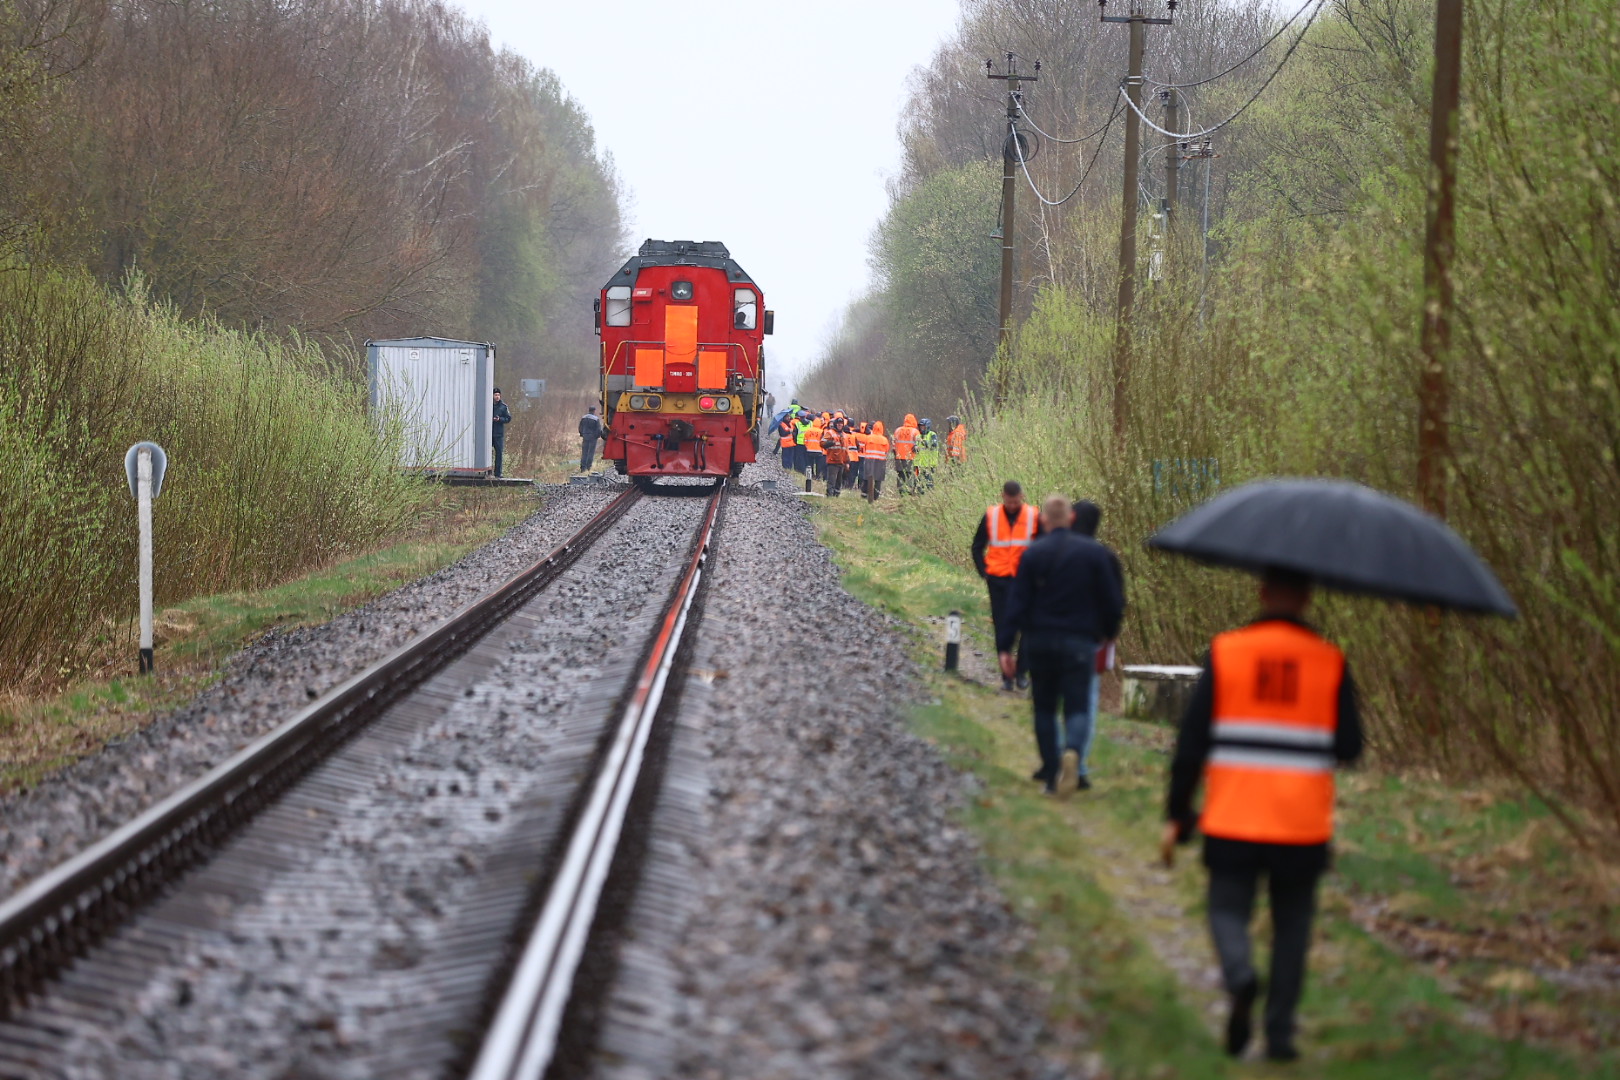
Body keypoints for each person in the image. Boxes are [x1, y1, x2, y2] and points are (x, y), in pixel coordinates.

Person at [1161, 568, 1363, 1063]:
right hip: (1302, 824)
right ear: (1308, 598)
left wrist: (1178, 811)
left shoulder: (1227, 652)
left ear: (1262, 593)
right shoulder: (1330, 661)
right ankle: (1279, 1036)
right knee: (1293, 927)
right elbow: (1351, 747)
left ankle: (1239, 976)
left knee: (1227, 909)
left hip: (1233, 816)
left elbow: (1191, 743)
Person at [999, 495, 1125, 796]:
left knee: (1044, 708)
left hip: (1040, 641)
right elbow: (1113, 602)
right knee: (1078, 706)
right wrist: (1107, 633)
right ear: (1070, 518)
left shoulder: (1033, 554)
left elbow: (1016, 604)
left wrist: (1006, 646)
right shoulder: (1094, 554)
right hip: (1080, 642)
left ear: (1043, 520)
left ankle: (1052, 774)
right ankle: (1072, 751)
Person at [1064, 499, 1126, 790]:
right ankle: (1080, 763)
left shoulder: (1052, 550)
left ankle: (1055, 760)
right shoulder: (1106, 557)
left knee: (1052, 702)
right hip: (1089, 640)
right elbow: (1115, 603)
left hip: (1052, 637)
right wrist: (1109, 634)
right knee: (1085, 704)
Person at [972, 481, 1042, 691]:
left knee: (1027, 628)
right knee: (1002, 628)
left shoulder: (1033, 516)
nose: (1012, 505)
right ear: (1003, 496)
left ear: (1022, 496)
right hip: (998, 581)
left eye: (1016, 501)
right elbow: (977, 547)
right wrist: (984, 573)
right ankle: (1006, 677)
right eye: (1009, 501)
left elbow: (1044, 548)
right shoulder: (991, 516)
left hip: (1025, 581)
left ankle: (1021, 672)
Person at [860, 420, 890, 501]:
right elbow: (887, 450)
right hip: (880, 461)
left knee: (867, 478)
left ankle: (864, 495)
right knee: (878, 480)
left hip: (869, 460)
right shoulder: (885, 440)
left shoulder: (868, 437)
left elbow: (865, 447)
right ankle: (875, 497)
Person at [892, 413, 920, 494]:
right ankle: (909, 492)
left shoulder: (897, 430)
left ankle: (901, 492)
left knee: (900, 475)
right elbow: (919, 445)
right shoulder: (915, 431)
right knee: (910, 475)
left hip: (899, 457)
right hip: (910, 458)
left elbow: (893, 445)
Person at [821, 418, 850, 496]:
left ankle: (836, 495)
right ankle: (829, 495)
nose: (840, 425)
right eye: (838, 423)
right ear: (835, 424)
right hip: (832, 460)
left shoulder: (845, 435)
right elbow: (822, 443)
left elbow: (846, 450)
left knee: (839, 481)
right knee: (831, 480)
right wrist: (831, 443)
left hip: (841, 461)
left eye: (841, 423)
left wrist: (847, 462)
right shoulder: (830, 433)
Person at [915, 419, 940, 490]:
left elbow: (933, 445)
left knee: (929, 483)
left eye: (923, 427)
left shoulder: (932, 435)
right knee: (920, 483)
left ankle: (930, 496)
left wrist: (923, 442)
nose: (922, 428)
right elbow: (916, 447)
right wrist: (915, 448)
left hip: (930, 464)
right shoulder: (918, 436)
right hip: (921, 464)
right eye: (921, 427)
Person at [492, 388, 512, 477]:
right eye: (495, 395)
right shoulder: (489, 405)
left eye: (498, 395)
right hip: (489, 434)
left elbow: (508, 418)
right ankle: (488, 471)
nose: (497, 397)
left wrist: (500, 419)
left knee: (499, 453)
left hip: (498, 434)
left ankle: (498, 473)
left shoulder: (504, 407)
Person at [578, 405, 602, 473]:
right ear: (594, 411)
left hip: (585, 436)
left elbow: (580, 427)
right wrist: (597, 436)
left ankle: (583, 468)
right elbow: (598, 429)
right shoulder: (596, 419)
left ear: (589, 410)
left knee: (584, 452)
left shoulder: (584, 417)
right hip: (593, 437)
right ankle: (588, 467)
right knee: (591, 452)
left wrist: (582, 434)